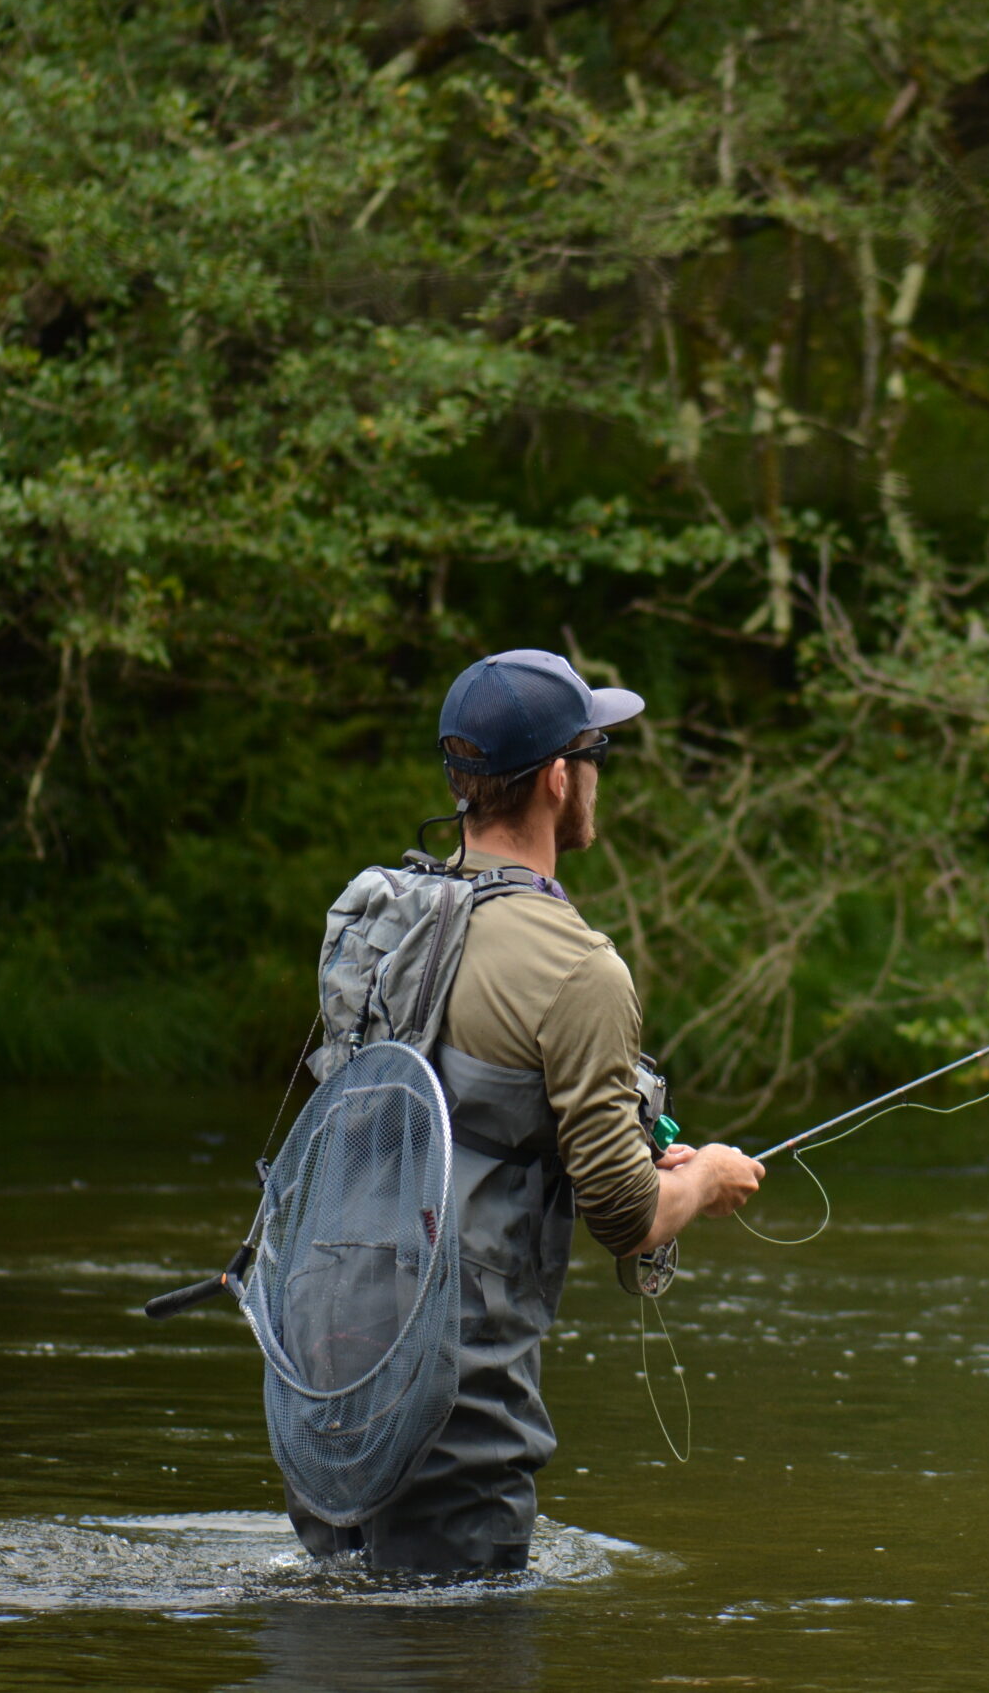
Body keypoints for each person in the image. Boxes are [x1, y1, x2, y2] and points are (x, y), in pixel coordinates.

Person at [287, 649, 766, 1573]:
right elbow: (626, 1217)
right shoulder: (579, 969)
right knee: (460, 1642)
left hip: (324, 1358)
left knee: (339, 1632)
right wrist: (705, 1175)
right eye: (596, 755)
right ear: (558, 778)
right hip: (457, 1395)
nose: (595, 779)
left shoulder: (379, 920)